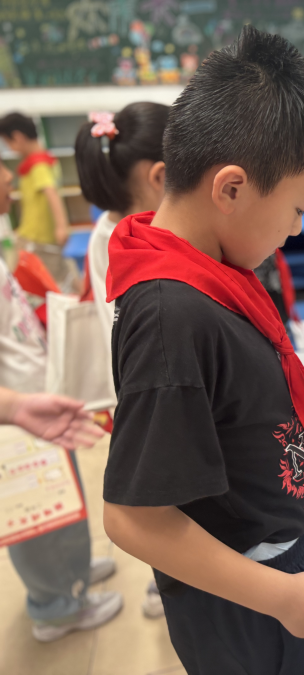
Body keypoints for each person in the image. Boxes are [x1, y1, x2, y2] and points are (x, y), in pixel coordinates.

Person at [101, 26, 304, 675]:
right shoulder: (172, 315)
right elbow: (134, 517)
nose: (296, 229)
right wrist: (281, 597)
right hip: (240, 595)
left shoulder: (208, 270)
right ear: (232, 188)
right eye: (299, 208)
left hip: (266, 561)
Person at [0, 161, 117, 642]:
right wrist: (11, 407)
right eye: (3, 179)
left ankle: (73, 573)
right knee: (35, 510)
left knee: (61, 497)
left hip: (31, 397)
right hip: (13, 416)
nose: (9, 186)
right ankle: (56, 607)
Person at [74, 101, 170, 620]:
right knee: (169, 494)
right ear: (160, 176)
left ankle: (165, 581)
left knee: (164, 490)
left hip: (131, 389)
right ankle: (165, 585)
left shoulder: (105, 230)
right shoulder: (142, 236)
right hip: (151, 391)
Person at [0, 112, 74, 290]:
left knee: (48, 283)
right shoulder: (45, 160)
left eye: (7, 142)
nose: (9, 148)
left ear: (18, 137)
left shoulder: (37, 164)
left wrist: (61, 226)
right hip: (33, 236)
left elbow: (51, 193)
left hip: (36, 239)